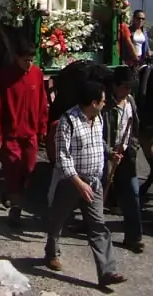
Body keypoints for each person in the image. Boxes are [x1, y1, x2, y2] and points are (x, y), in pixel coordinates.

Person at [44, 79, 126, 286]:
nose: (105, 103)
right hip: (71, 182)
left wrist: (110, 154)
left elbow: (98, 144)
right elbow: (63, 157)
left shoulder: (97, 119)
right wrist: (78, 183)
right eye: (103, 100)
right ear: (93, 102)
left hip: (94, 183)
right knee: (57, 219)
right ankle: (52, 252)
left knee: (98, 225)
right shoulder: (68, 121)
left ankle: (107, 271)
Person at [0, 36, 48, 227]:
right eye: (25, 61)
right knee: (13, 168)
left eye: (32, 60)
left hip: (30, 133)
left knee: (29, 169)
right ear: (16, 58)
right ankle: (16, 208)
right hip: (11, 134)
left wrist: (42, 126)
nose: (29, 64)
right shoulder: (5, 76)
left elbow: (42, 102)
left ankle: (10, 192)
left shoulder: (37, 75)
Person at [103, 66, 143, 253]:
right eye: (124, 87)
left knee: (132, 195)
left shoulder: (130, 102)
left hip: (126, 156)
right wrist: (108, 152)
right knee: (98, 193)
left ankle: (134, 237)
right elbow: (95, 134)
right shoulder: (103, 105)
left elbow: (134, 127)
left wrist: (131, 147)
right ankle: (92, 228)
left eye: (130, 87)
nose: (127, 91)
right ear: (114, 86)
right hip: (105, 157)